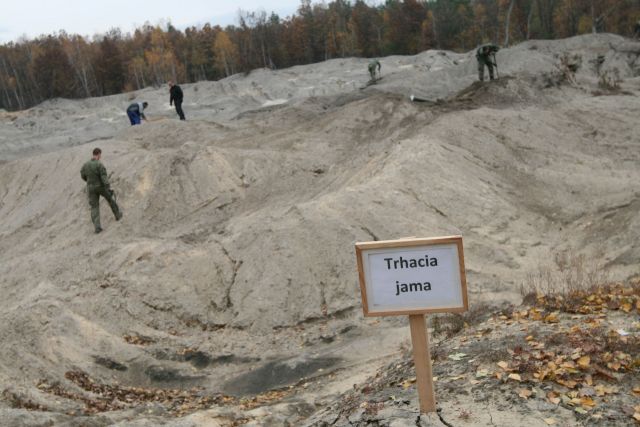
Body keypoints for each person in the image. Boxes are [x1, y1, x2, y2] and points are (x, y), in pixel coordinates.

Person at [80, 148, 122, 233]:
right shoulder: (99, 164)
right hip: (100, 187)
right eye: (100, 155)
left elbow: (82, 175)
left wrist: (88, 181)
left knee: (94, 207)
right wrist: (108, 187)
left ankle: (97, 227)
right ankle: (118, 215)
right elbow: (104, 177)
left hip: (91, 188)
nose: (100, 156)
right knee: (110, 199)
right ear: (98, 154)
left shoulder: (85, 165)